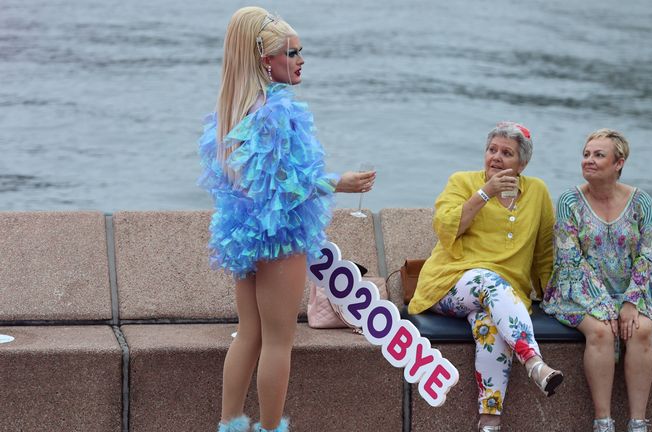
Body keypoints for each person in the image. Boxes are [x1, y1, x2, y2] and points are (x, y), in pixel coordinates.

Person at [197, 7, 375, 432]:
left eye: (300, 51)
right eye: (292, 52)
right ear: (266, 60)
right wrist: (339, 183)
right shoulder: (276, 110)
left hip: (242, 235)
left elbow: (245, 184)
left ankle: (230, 425)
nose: (300, 60)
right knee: (278, 341)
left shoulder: (234, 109)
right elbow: (285, 187)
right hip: (280, 237)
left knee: (249, 334)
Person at [408, 122, 564, 432]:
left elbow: (544, 254)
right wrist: (485, 193)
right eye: (492, 149)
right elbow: (445, 227)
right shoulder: (463, 182)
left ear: (522, 164)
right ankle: (533, 362)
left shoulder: (537, 192)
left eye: (507, 153)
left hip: (503, 297)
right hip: (451, 283)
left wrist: (554, 300)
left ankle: (490, 421)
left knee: (490, 327)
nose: (496, 157)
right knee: (487, 279)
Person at [541, 129, 652, 432]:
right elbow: (570, 261)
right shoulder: (569, 201)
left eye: (598, 155)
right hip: (579, 289)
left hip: (636, 287)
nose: (589, 161)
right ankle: (603, 422)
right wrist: (604, 306)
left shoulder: (641, 202)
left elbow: (648, 257)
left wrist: (631, 302)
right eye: (586, 154)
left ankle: (637, 423)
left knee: (641, 330)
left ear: (618, 163)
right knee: (600, 332)